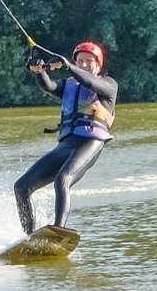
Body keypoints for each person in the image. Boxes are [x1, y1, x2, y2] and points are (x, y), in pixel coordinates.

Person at [13, 40, 118, 235]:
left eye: (89, 61)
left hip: (90, 142)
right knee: (21, 187)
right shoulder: (69, 84)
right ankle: (29, 236)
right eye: (80, 61)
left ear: (98, 64)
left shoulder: (108, 85)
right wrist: (40, 71)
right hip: (67, 144)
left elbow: (90, 82)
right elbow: (50, 86)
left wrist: (68, 66)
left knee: (63, 178)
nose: (84, 64)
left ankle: (58, 231)